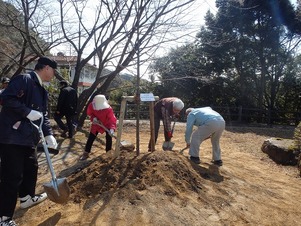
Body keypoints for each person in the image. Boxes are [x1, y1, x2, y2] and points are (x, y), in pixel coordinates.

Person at [0, 56, 58, 226]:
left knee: (31, 167)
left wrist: (49, 134)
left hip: (28, 137)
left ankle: (26, 197)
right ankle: (3, 218)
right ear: (46, 68)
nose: (54, 75)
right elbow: (7, 99)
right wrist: (26, 112)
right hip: (12, 136)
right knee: (12, 176)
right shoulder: (23, 80)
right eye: (53, 71)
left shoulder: (42, 90)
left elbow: (43, 116)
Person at [79, 94, 117, 160]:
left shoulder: (108, 109)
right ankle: (86, 153)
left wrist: (112, 129)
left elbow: (112, 119)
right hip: (97, 123)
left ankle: (108, 153)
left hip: (107, 123)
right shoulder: (91, 105)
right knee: (91, 137)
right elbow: (90, 113)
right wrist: (93, 118)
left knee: (109, 137)